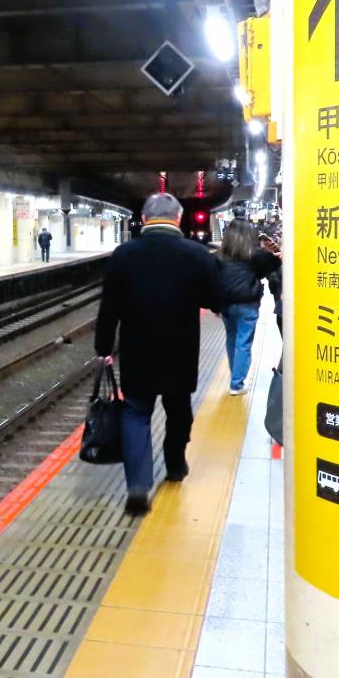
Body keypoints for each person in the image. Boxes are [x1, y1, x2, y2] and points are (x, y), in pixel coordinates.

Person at [94, 193, 219, 515]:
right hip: (181, 350)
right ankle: (175, 464)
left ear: (144, 218)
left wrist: (103, 349)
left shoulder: (123, 255)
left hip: (138, 351)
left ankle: (138, 485)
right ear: (178, 218)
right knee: (179, 411)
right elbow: (214, 297)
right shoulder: (196, 254)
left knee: (135, 413)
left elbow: (109, 309)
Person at [217, 220, 281, 396]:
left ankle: (235, 378)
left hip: (226, 305)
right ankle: (237, 384)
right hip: (247, 303)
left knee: (232, 339)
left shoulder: (219, 256)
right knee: (243, 342)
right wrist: (268, 249)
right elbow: (273, 264)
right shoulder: (254, 254)